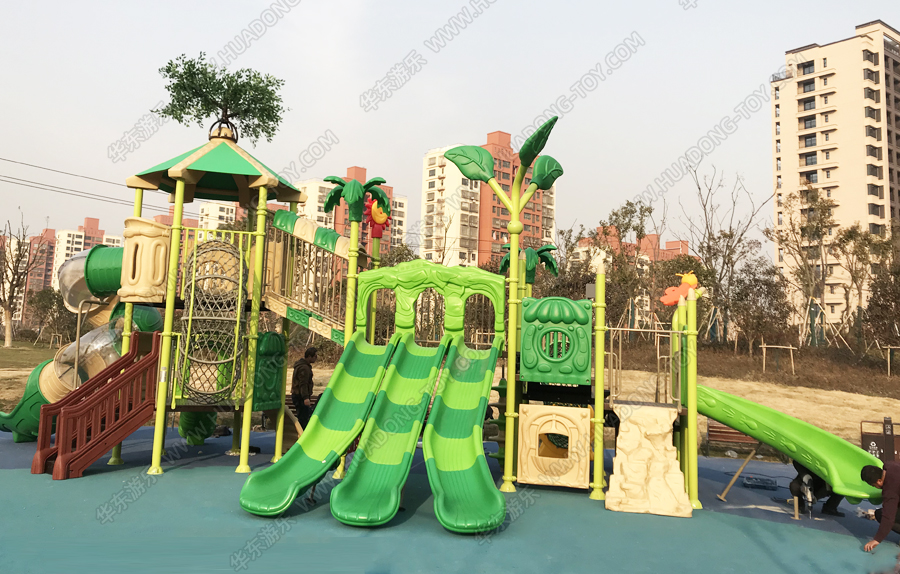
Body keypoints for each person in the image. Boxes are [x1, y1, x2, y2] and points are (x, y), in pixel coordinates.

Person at [862, 463, 900, 552]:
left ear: (879, 481)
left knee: (880, 514)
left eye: (874, 485)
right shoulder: (890, 466)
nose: (876, 487)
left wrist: (877, 539)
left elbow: (888, 516)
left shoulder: (891, 488)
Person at [291, 347, 317, 430]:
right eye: (315, 356)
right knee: (303, 419)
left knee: (302, 417)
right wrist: (306, 398)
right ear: (309, 356)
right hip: (300, 396)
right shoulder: (304, 368)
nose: (316, 358)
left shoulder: (301, 366)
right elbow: (303, 384)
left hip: (298, 395)